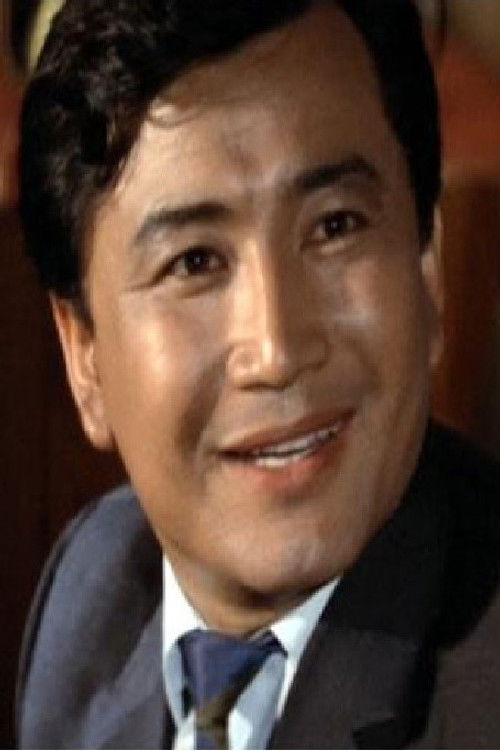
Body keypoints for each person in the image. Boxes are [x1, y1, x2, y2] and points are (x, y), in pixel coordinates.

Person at [16, 0, 500, 748]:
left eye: (335, 226)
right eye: (194, 263)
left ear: (426, 267)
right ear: (84, 353)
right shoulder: (93, 591)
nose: (276, 348)